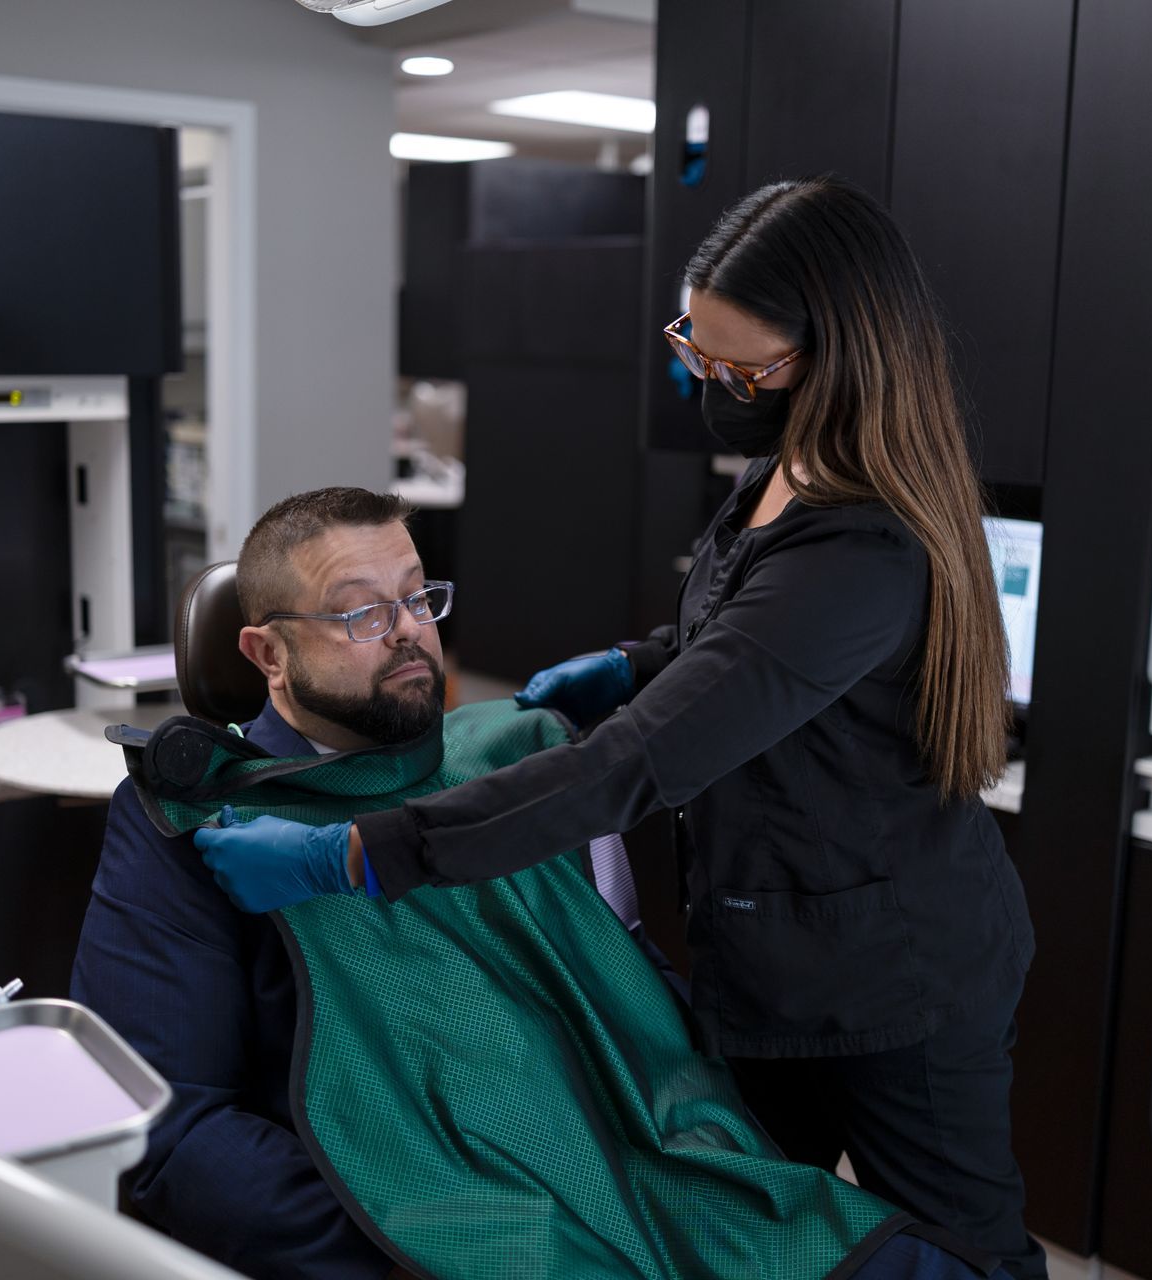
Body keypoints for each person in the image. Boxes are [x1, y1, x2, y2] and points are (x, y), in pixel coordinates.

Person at [194, 180, 1047, 1280]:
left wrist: (355, 852)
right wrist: (640, 664)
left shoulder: (863, 544)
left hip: (898, 983)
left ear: (833, 360)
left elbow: (634, 767)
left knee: (957, 1259)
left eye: (740, 371)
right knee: (749, 1231)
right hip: (771, 961)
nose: (709, 382)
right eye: (696, 345)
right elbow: (743, 636)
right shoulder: (781, 472)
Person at [71, 488, 660, 1279]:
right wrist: (416, 1252)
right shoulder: (190, 824)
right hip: (424, 1234)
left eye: (417, 597)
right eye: (361, 616)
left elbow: (633, 1002)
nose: (411, 630)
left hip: (628, 1185)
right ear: (268, 655)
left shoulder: (521, 766)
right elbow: (172, 1133)